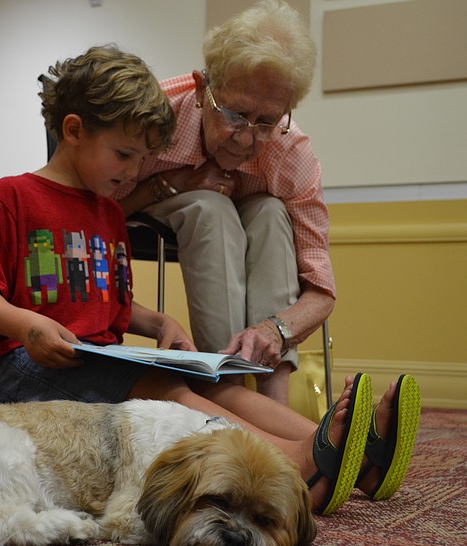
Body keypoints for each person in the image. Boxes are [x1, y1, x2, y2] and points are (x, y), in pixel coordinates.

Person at [0, 44, 421, 516]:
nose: (136, 172)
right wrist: (25, 326)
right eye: (125, 155)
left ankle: (357, 457)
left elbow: (107, 302)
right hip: (18, 365)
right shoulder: (12, 196)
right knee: (167, 389)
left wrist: (159, 324)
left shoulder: (108, 212)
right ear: (73, 131)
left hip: (92, 359)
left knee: (216, 382)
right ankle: (298, 464)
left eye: (143, 159)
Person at [114, 0, 329, 407]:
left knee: (270, 212)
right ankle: (223, 390)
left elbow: (321, 291)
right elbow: (87, 215)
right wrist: (170, 184)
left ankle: (272, 398)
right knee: (209, 208)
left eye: (266, 122)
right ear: (201, 88)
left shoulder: (291, 151)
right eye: (235, 114)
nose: (247, 139)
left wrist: (274, 330)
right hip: (150, 206)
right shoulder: (151, 117)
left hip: (251, 220)